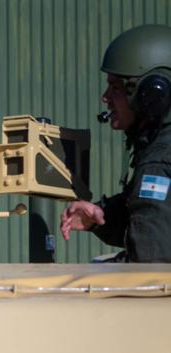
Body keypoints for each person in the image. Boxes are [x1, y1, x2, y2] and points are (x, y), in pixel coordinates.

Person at [60, 24, 171, 262]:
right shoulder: (159, 146)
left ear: (152, 94)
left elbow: (149, 264)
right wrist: (101, 215)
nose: (105, 98)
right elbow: (152, 217)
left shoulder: (159, 161)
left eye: (116, 88)